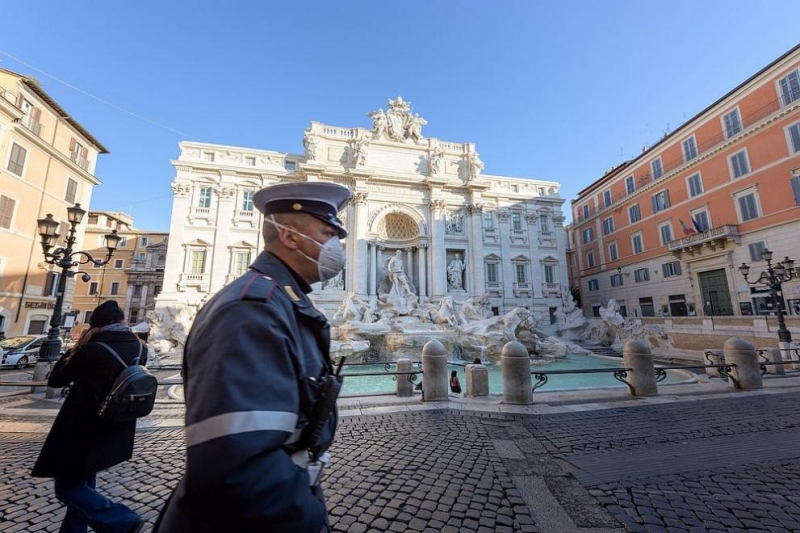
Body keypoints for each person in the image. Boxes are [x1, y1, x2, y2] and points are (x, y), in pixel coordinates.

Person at [154, 181, 352, 533]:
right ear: (290, 237)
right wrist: (307, 519)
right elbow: (239, 464)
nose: (336, 245)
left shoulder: (282, 301)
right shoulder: (251, 310)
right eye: (327, 233)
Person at [31, 300, 145, 533]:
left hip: (81, 427)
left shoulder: (92, 349)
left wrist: (73, 350)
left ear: (96, 325)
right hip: (114, 426)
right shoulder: (140, 347)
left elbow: (56, 380)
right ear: (122, 321)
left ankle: (121, 519)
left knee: (68, 488)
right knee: (84, 483)